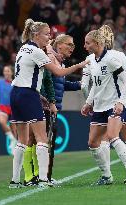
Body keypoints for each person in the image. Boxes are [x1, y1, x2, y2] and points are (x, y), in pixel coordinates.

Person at [9, 18, 89, 188]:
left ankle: (15, 180)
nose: (49, 37)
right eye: (46, 34)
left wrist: (41, 97)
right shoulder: (37, 51)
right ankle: (44, 179)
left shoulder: (23, 48)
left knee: (22, 140)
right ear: (36, 34)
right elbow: (58, 73)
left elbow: (25, 76)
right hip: (27, 94)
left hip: (16, 93)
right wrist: (81, 64)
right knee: (42, 139)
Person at [81, 25, 126, 179]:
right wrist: (88, 103)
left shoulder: (112, 58)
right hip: (99, 106)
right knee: (92, 143)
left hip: (114, 104)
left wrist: (122, 101)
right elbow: (95, 85)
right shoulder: (91, 60)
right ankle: (106, 176)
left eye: (87, 43)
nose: (85, 46)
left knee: (113, 136)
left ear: (98, 42)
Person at [46, 34, 81, 182]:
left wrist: (80, 85)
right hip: (46, 107)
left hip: (55, 108)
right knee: (43, 143)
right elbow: (46, 83)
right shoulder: (50, 61)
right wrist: (50, 102)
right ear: (59, 45)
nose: (72, 48)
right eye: (69, 44)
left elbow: (62, 85)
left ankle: (47, 176)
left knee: (50, 143)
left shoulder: (62, 64)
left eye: (73, 45)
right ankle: (39, 177)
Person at [0, 65, 17, 154]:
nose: (6, 73)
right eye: (4, 71)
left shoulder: (15, 83)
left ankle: (15, 149)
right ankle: (12, 138)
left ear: (12, 72)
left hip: (13, 109)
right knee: (2, 122)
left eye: (8, 71)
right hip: (2, 107)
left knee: (14, 130)